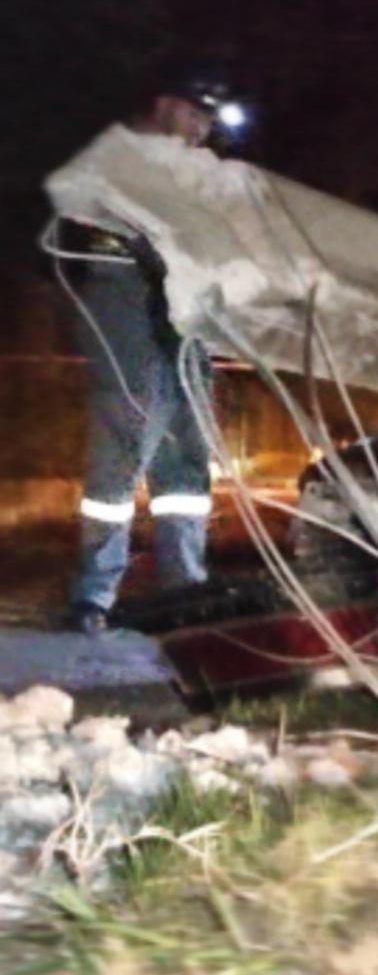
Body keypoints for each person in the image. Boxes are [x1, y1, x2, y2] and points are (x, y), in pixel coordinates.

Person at [42, 73, 249, 633]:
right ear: (163, 105)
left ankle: (186, 587)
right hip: (123, 296)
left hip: (187, 309)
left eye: (208, 123)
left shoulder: (200, 173)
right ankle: (93, 597)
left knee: (185, 451)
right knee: (126, 440)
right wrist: (134, 225)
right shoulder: (122, 152)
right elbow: (72, 192)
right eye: (193, 116)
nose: (200, 130)